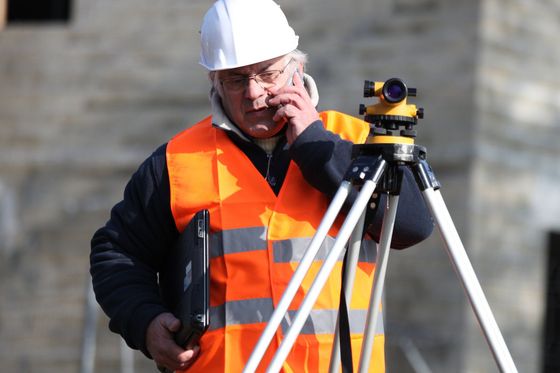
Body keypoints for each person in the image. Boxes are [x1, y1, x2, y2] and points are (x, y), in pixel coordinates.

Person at [90, 0, 433, 372]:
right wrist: (145, 322)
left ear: (296, 69)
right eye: (236, 80)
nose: (253, 93)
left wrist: (319, 149)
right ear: (215, 82)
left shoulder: (356, 141)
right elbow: (116, 255)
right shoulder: (175, 162)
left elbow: (413, 226)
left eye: (267, 74)